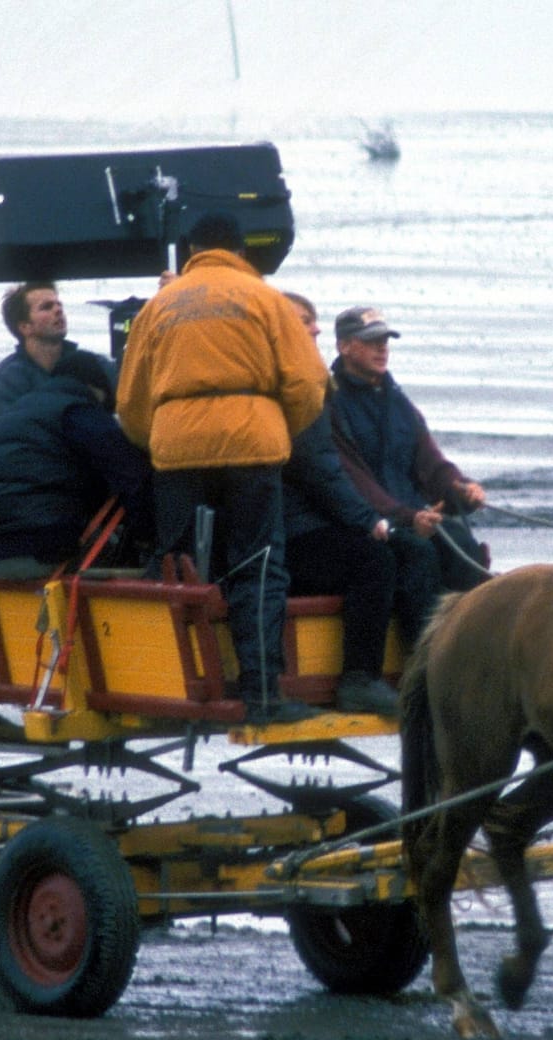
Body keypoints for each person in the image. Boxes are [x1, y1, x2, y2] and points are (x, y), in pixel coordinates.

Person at [116, 213, 328, 723]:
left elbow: (131, 401)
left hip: (177, 451)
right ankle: (262, 694)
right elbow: (307, 385)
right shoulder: (264, 298)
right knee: (258, 567)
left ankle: (176, 683)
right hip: (251, 446)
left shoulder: (160, 305)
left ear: (191, 251)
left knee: (181, 565)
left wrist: (163, 438)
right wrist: (276, 425)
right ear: (241, 252)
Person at [276, 292, 400, 717]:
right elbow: (319, 468)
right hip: (288, 530)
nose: (314, 328)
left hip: (298, 519)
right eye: (303, 321)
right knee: (373, 561)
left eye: (314, 321)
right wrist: (368, 520)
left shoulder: (304, 377)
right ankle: (359, 680)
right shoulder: (295, 383)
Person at [326, 305, 492, 591]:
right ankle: (421, 635)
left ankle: (459, 631)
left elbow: (431, 463)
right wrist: (406, 517)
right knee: (419, 553)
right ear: (344, 346)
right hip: (364, 524)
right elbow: (353, 479)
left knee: (463, 546)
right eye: (371, 341)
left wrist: (461, 488)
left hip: (412, 516)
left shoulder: (398, 401)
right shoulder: (330, 403)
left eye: (385, 341)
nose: (382, 349)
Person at [0, 363, 152, 578]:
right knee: (121, 555)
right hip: (41, 546)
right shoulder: (79, 411)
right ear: (98, 389)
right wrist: (148, 538)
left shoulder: (15, 414)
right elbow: (133, 475)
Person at [0, 280, 119, 433]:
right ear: (25, 327)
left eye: (59, 305)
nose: (58, 310)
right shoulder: (6, 381)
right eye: (47, 307)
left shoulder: (90, 364)